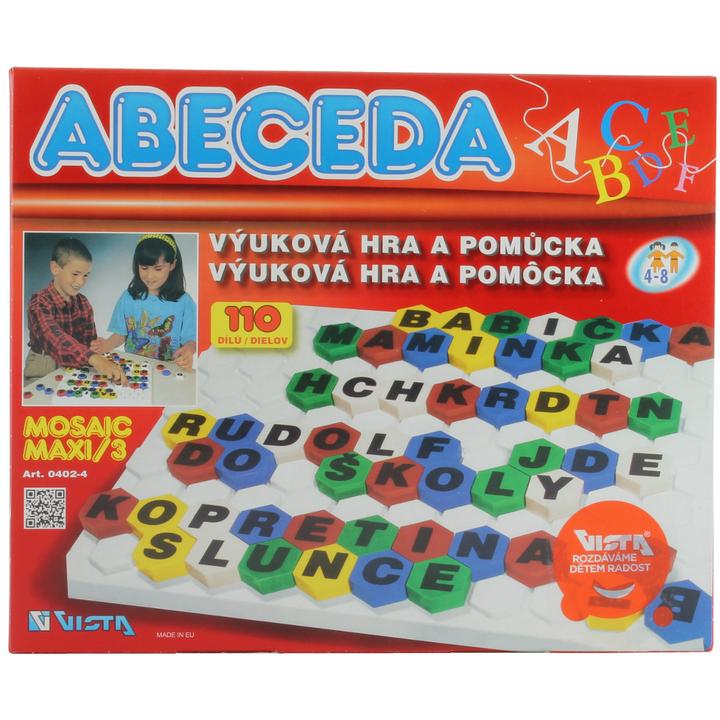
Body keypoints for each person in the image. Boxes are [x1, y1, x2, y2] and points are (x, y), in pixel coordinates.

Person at [25, 237, 127, 385]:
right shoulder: (39, 302)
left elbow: (89, 345)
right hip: (43, 367)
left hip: (78, 364)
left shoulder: (83, 303)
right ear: (55, 268)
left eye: (85, 275)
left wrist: (98, 347)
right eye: (75, 274)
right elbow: (55, 340)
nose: (81, 282)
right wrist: (94, 359)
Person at [92, 233, 196, 367]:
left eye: (158, 269)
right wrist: (106, 345)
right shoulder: (128, 297)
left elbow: (191, 340)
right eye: (144, 268)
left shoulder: (184, 302)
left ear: (172, 265)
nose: (149, 276)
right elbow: (121, 334)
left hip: (170, 368)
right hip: (135, 368)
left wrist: (189, 350)